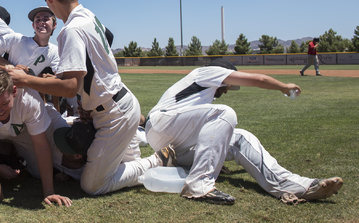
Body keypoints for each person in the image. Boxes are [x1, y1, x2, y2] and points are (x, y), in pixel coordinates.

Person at [8, 0, 152, 196]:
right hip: (122, 103)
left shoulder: (70, 30)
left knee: (92, 185)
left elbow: (71, 87)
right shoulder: (89, 15)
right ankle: (158, 164)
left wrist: (26, 80)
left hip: (113, 114)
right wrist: (61, 78)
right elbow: (104, 41)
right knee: (124, 171)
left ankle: (158, 160)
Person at [145, 58, 343, 205]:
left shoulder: (201, 94)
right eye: (229, 85)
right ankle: (199, 185)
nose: (228, 90)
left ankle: (296, 186)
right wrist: (284, 87)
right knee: (224, 113)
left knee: (241, 138)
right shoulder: (207, 72)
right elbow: (258, 79)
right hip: (162, 125)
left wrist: (214, 155)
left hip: (172, 144)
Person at [0, 68, 72, 206]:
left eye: (4, 104)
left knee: (37, 172)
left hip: (20, 131)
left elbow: (40, 145)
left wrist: (49, 191)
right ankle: (2, 152)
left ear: (15, 92)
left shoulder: (29, 98)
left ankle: (8, 151)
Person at [0, 6, 61, 105]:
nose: (41, 22)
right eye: (38, 19)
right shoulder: (17, 39)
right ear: (33, 25)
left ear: (55, 25)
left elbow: (61, 78)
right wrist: (7, 64)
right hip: (1, 92)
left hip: (25, 98)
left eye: (46, 19)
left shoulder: (54, 51)